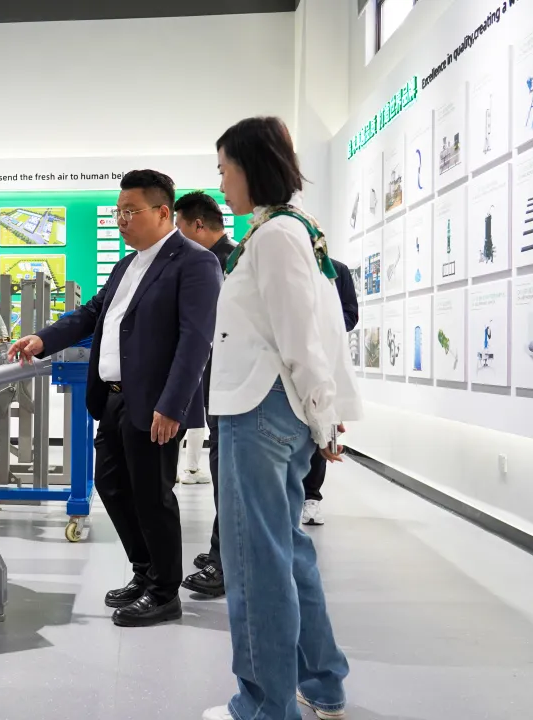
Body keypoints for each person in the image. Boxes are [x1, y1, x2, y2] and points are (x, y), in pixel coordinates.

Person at [8, 170, 222, 628]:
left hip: (156, 403)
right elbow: (92, 313)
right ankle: (146, 573)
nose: (121, 220)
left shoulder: (196, 263)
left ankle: (164, 592)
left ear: (162, 212)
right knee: (112, 486)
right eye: (117, 212)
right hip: (114, 399)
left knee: (152, 496)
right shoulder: (128, 265)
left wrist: (174, 405)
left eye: (130, 211)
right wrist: (43, 339)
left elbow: (196, 340)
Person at [202, 117, 362, 720]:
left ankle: (265, 706)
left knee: (255, 562)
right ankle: (322, 680)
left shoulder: (274, 237)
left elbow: (300, 334)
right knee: (284, 550)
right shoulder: (293, 230)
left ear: (250, 167)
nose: (221, 183)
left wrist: (324, 414)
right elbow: (315, 329)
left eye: (225, 169)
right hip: (276, 406)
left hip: (259, 408)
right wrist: (321, 412)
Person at [172, 190, 237, 600]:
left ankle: (225, 562)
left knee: (229, 477)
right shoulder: (221, 260)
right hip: (222, 385)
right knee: (223, 473)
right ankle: (221, 551)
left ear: (198, 225)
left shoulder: (227, 264)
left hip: (234, 389)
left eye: (179, 228)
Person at [301, 258, 359, 527]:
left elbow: (350, 314)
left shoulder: (337, 269)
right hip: (292, 360)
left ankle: (311, 497)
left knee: (322, 427)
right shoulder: (290, 262)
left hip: (325, 359)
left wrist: (325, 327)